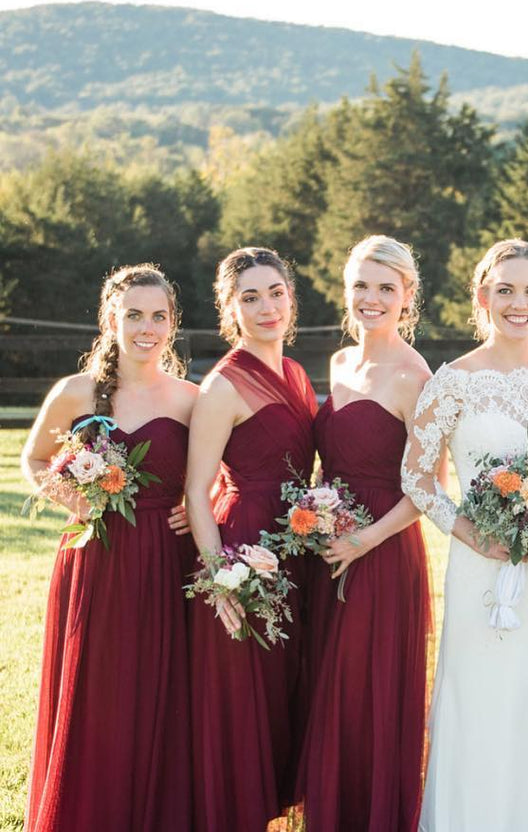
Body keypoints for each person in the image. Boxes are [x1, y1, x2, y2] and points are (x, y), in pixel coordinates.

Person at [401, 238, 528, 832]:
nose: (519, 303)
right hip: (484, 569)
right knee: (479, 706)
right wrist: (470, 533)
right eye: (505, 290)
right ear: (483, 297)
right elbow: (416, 475)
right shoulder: (452, 380)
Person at [22, 264, 196, 832]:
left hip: (167, 565)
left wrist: (199, 506)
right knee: (97, 696)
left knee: (157, 697)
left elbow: (227, 474)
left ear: (172, 324)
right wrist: (75, 500)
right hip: (93, 560)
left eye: (158, 316)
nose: (146, 327)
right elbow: (36, 458)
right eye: (134, 315)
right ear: (110, 319)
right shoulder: (75, 392)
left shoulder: (193, 398)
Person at [296, 236, 432, 831]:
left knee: (367, 691)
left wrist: (364, 541)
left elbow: (427, 490)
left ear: (407, 296)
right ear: (345, 290)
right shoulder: (339, 362)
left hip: (380, 551)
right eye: (361, 286)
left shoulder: (415, 375)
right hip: (331, 546)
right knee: (332, 690)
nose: (371, 299)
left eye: (386, 287)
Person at [186, 247, 318, 832]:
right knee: (245, 694)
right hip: (243, 549)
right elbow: (196, 490)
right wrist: (220, 580)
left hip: (294, 546)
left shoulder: (296, 372)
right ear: (229, 310)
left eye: (275, 293)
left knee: (283, 690)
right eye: (250, 297)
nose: (266, 307)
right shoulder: (223, 385)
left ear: (291, 299)